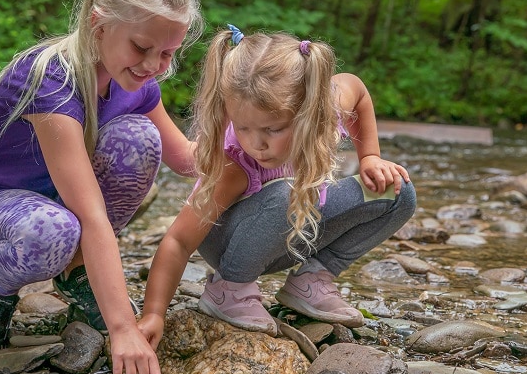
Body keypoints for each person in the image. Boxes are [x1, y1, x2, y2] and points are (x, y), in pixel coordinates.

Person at [0, 0, 202, 374]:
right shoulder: (49, 80)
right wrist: (122, 327)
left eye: (168, 53)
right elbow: (90, 215)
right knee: (56, 228)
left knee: (138, 139)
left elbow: (185, 159)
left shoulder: (137, 82)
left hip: (68, 217)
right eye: (142, 48)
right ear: (98, 24)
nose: (153, 66)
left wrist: (255, 138)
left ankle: (76, 271)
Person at [139, 24, 417, 344]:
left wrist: (370, 156)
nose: (257, 144)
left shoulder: (323, 110)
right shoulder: (234, 164)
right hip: (230, 242)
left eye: (273, 129)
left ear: (307, 113)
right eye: (243, 127)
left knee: (397, 190)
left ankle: (310, 279)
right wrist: (154, 315)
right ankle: (229, 289)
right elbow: (179, 241)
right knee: (284, 193)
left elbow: (356, 88)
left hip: (294, 227)